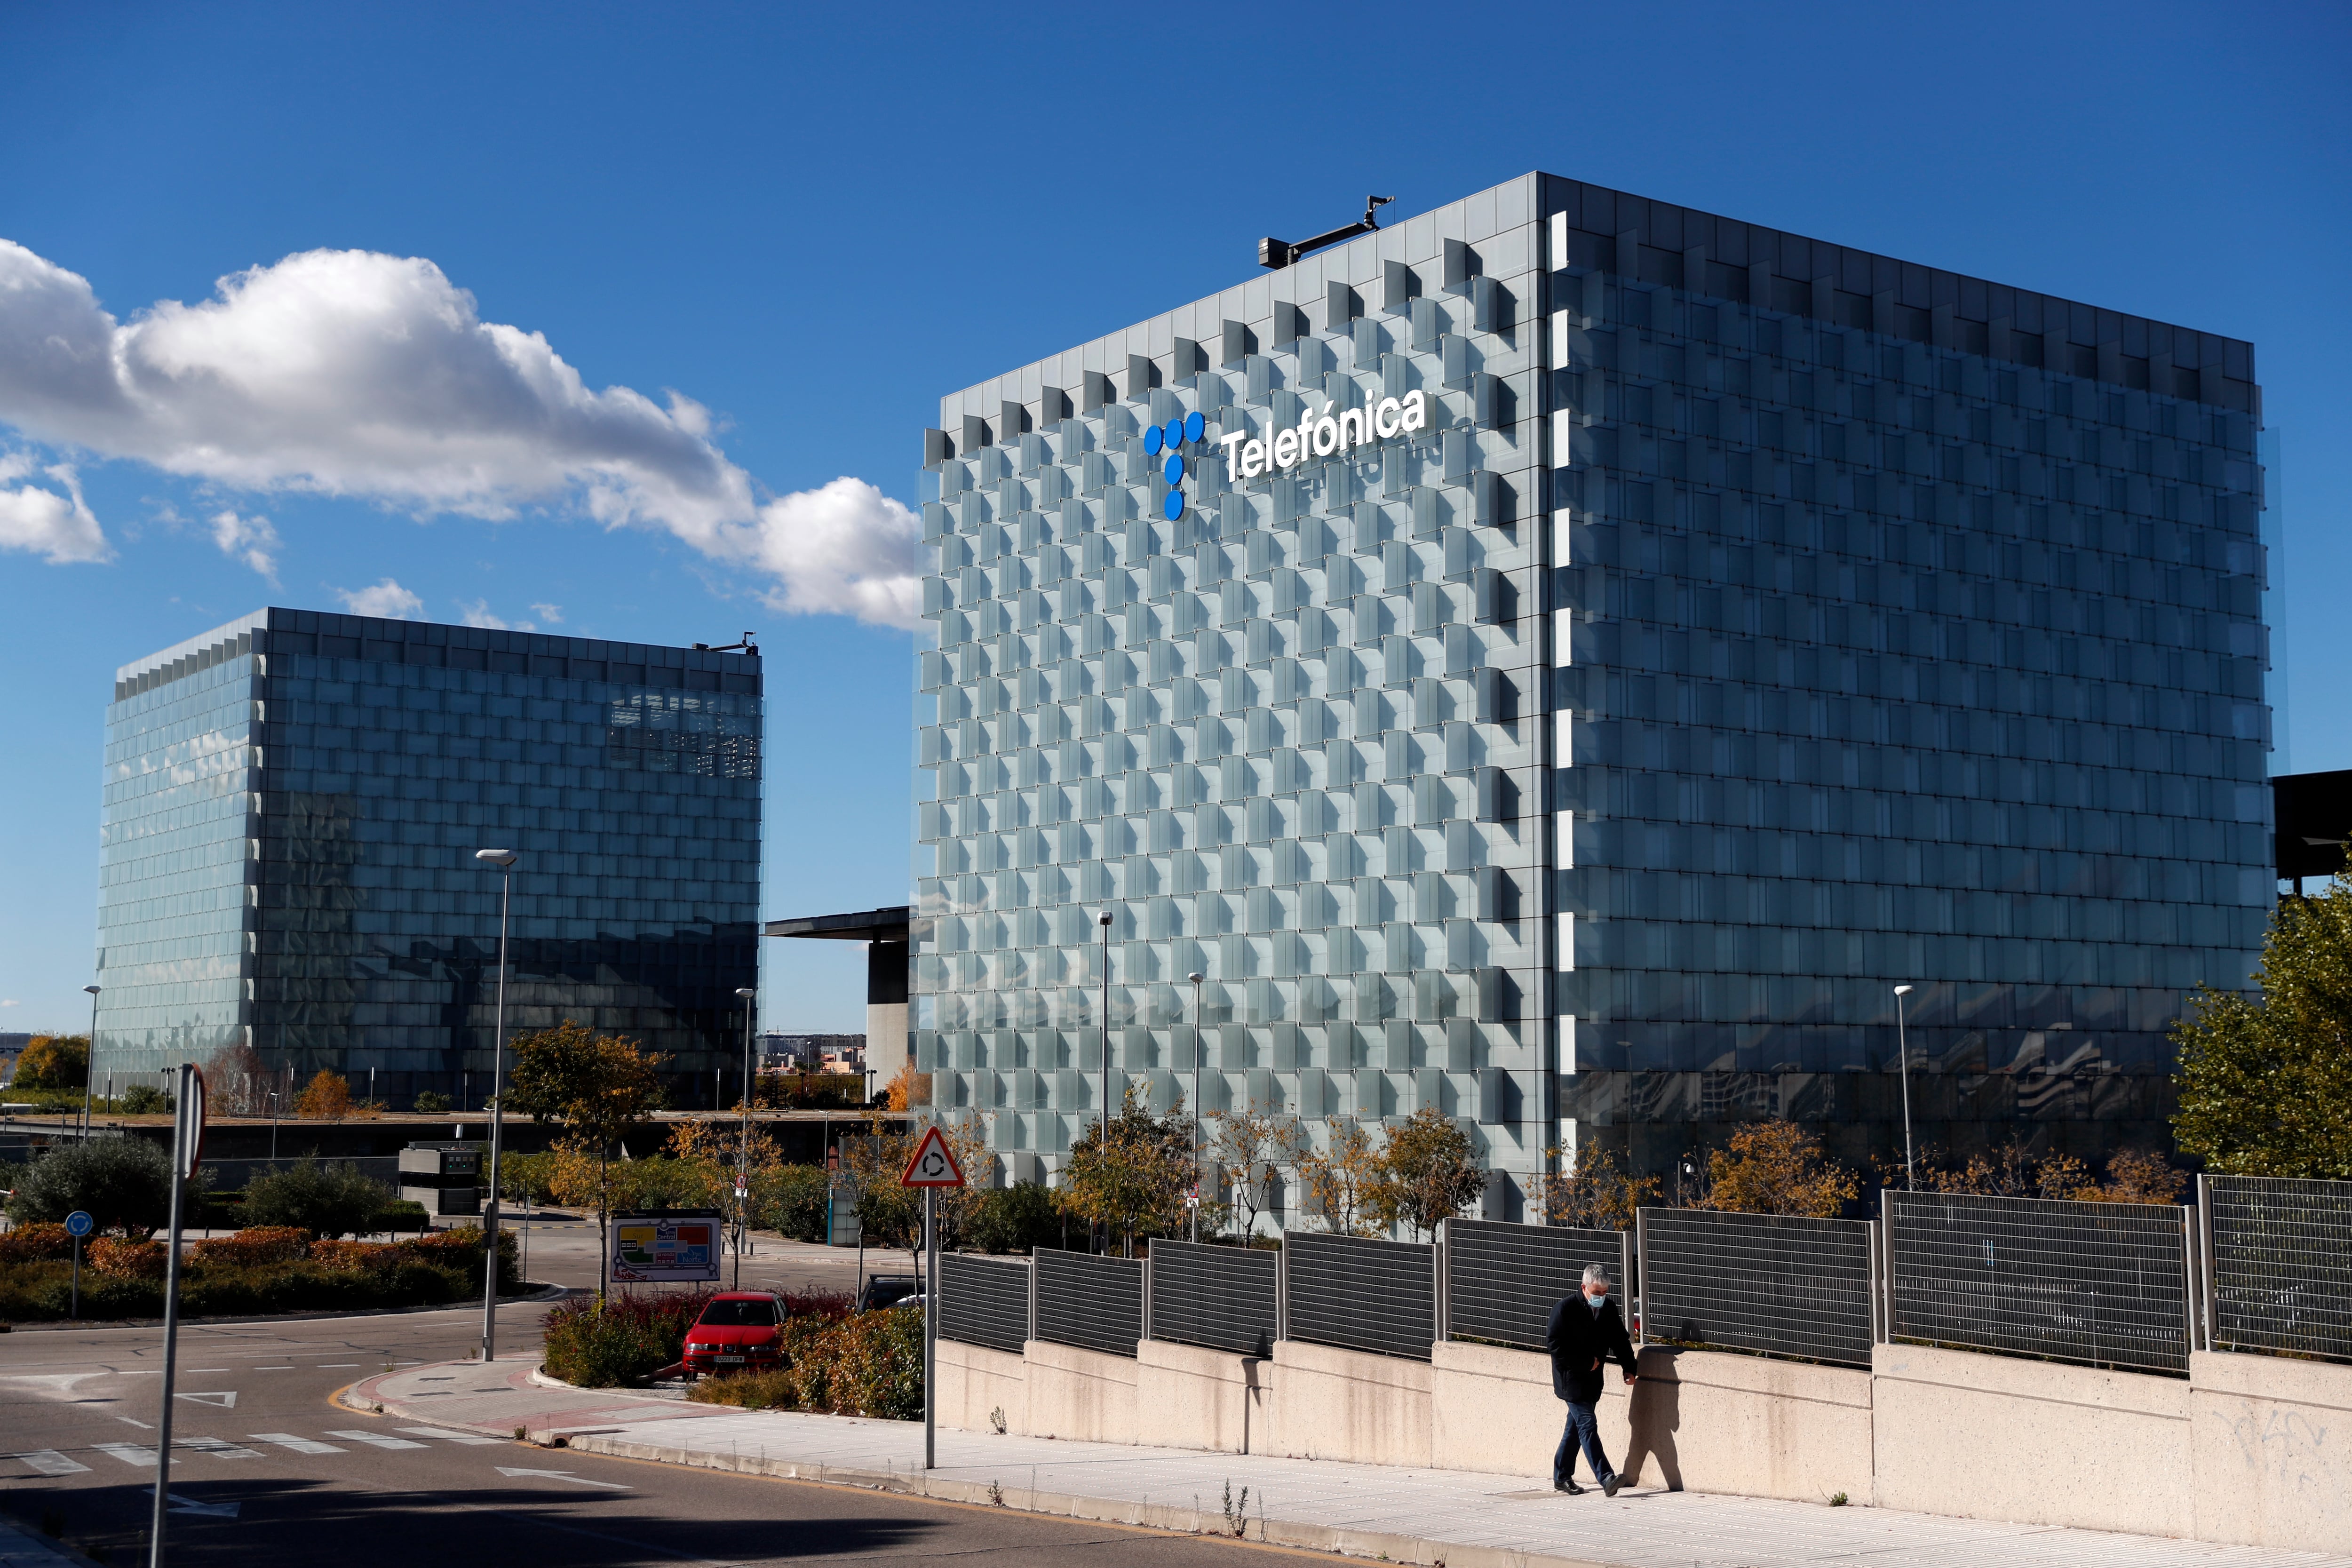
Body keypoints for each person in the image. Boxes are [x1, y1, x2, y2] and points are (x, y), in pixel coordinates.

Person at [1544, 1261, 1639, 1496]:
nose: (1601, 1297)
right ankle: (1606, 1478)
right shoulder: (1565, 1309)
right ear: (1584, 1287)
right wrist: (1585, 1363)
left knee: (1574, 1429)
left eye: (1605, 1293)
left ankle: (1561, 1476)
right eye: (1597, 1293)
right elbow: (1555, 1346)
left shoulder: (1608, 1309)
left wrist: (1629, 1368)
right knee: (1587, 1424)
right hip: (1571, 1381)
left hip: (1593, 1381)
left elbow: (1620, 1340)